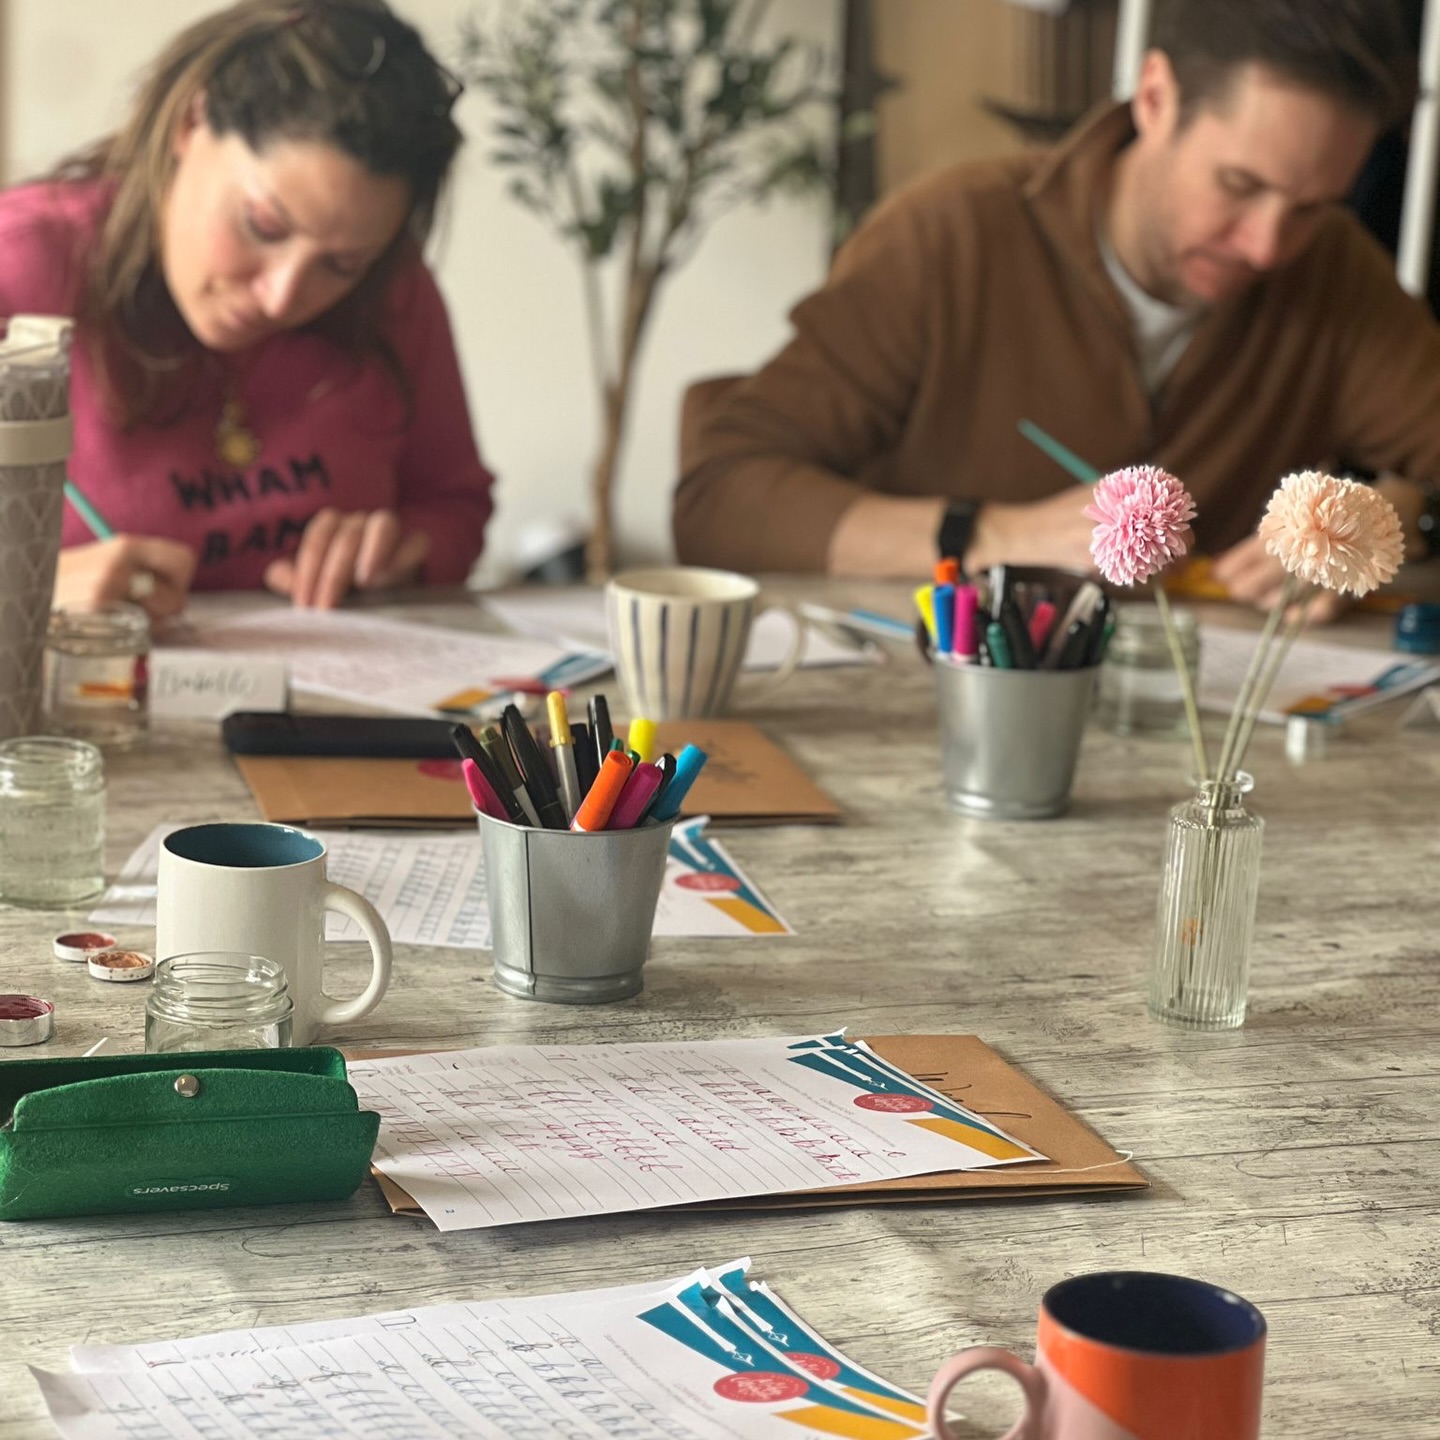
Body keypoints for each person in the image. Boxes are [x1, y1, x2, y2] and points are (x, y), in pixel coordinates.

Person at [673, 0, 1440, 621]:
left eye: (1310, 206)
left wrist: (1373, 531)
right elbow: (721, 497)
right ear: (1155, 97)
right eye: (1239, 185)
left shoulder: (1334, 271)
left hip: (1202, 750)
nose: (1270, 245)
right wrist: (997, 534)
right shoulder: (953, 234)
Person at [0, 0, 493, 618]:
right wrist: (23, 591)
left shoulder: (391, 294)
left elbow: (455, 506)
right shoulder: (18, 271)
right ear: (190, 122)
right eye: (263, 225)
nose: (283, 296)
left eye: (341, 265)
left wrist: (402, 549)